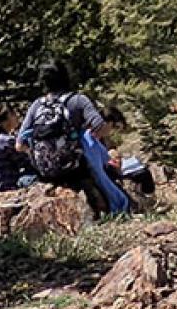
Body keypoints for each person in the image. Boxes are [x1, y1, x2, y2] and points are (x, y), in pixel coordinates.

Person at [18, 62, 113, 215]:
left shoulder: (37, 105)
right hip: (73, 168)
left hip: (44, 171)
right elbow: (101, 128)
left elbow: (19, 145)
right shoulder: (78, 100)